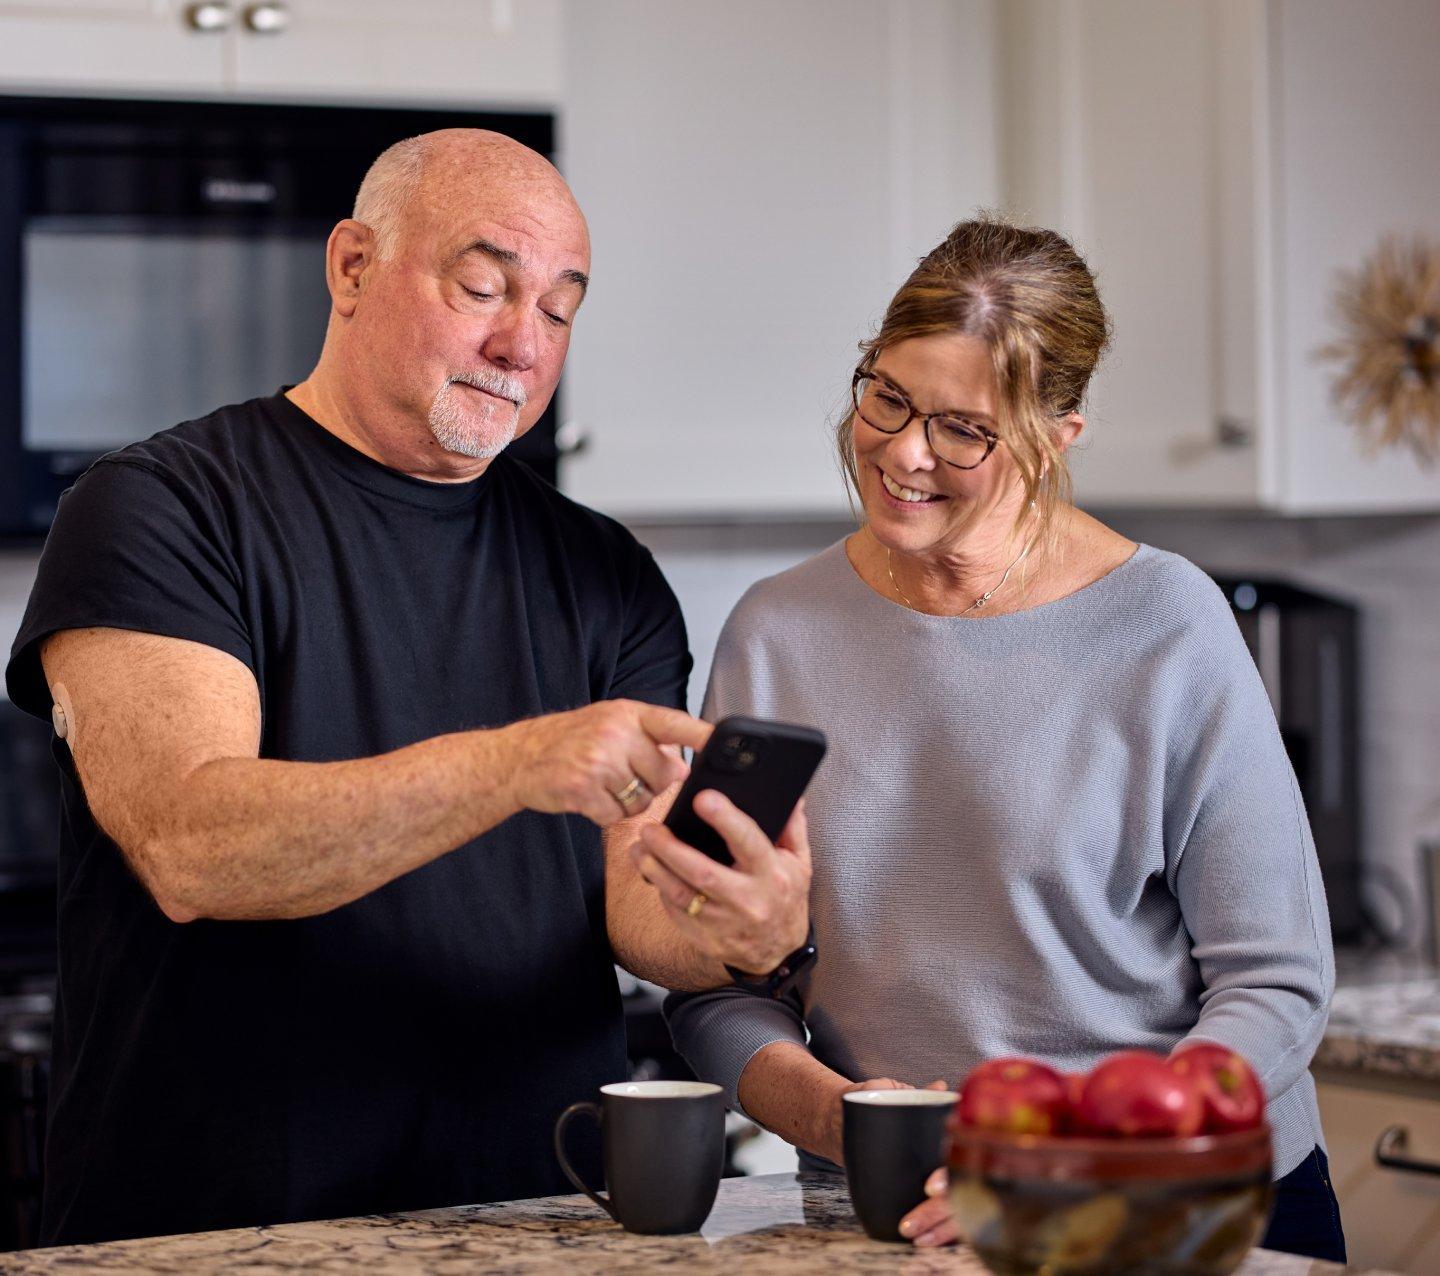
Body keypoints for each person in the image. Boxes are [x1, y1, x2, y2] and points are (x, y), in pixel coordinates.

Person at [4, 129, 812, 1246]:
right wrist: (515, 763)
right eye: (483, 286)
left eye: (561, 310)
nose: (521, 342)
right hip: (216, 1232)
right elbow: (192, 846)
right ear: (351, 265)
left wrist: (745, 930)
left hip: (539, 1218)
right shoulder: (160, 508)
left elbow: (640, 910)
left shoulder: (603, 571)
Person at [642, 217, 1346, 1262]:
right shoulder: (777, 630)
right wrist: (845, 1120)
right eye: (886, 395)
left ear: (1056, 437)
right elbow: (715, 983)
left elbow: (1276, 984)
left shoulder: (1168, 626)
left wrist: (1099, 1155)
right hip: (888, 1214)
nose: (902, 451)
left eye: (964, 429)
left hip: (1177, 1207)